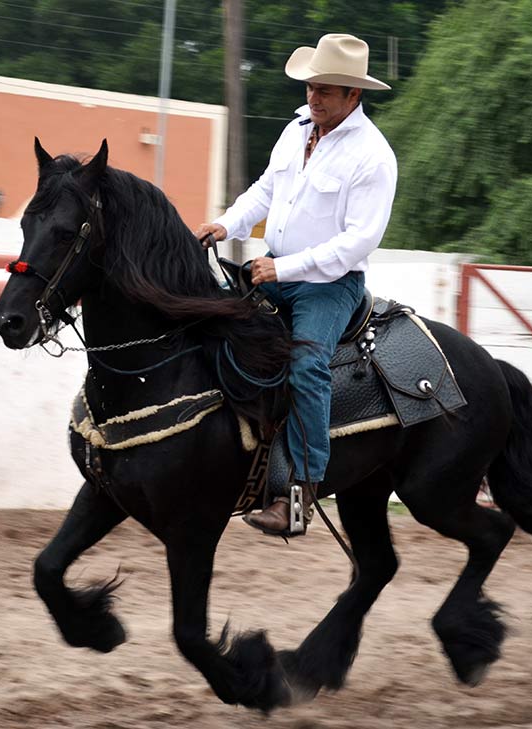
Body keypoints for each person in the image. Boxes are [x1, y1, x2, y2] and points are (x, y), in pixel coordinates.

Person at [195, 33, 397, 536]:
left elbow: (355, 243)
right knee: (211, 326)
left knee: (307, 366)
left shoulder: (374, 157)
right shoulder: (295, 132)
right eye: (311, 86)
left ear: (354, 95)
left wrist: (282, 270)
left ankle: (300, 495)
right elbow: (265, 191)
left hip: (329, 286)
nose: (314, 96)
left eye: (326, 89)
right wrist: (226, 224)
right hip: (275, 269)